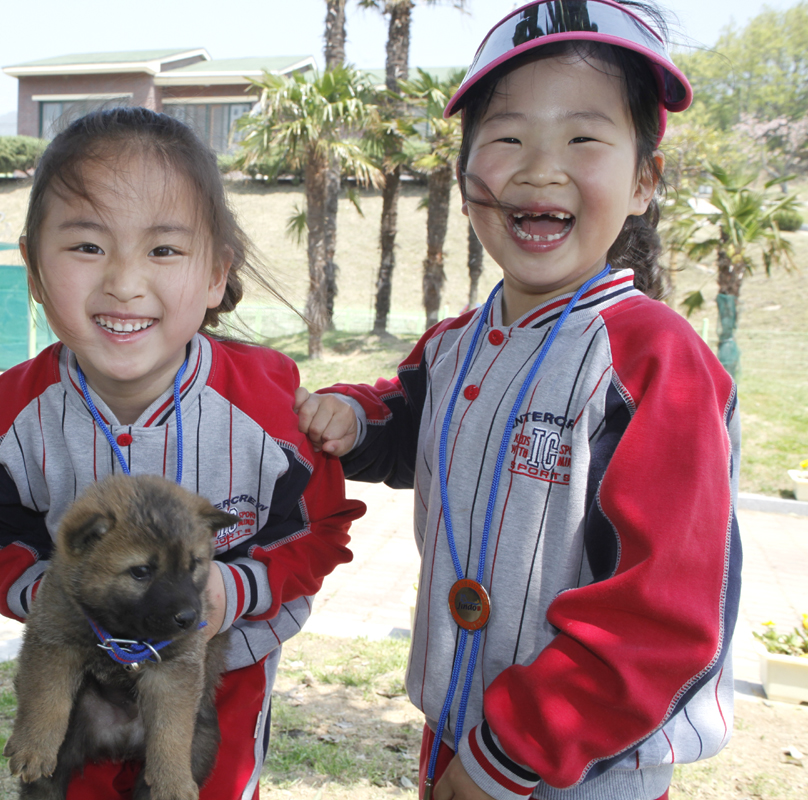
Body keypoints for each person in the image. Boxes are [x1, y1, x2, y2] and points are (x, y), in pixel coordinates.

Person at [295, 3, 740, 799]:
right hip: (456, 733)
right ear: (469, 183)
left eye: (583, 138)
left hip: (582, 766)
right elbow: (409, 420)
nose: (540, 168)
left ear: (644, 180)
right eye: (506, 138)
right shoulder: (454, 344)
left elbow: (660, 614)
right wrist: (355, 418)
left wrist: (515, 752)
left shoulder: (655, 360)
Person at [0, 106, 364, 800]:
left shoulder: (269, 407)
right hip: (76, 673)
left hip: (218, 675)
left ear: (215, 273)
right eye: (86, 247)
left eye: (164, 250)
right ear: (35, 267)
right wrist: (45, 596)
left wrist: (239, 590)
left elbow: (321, 528)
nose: (125, 282)